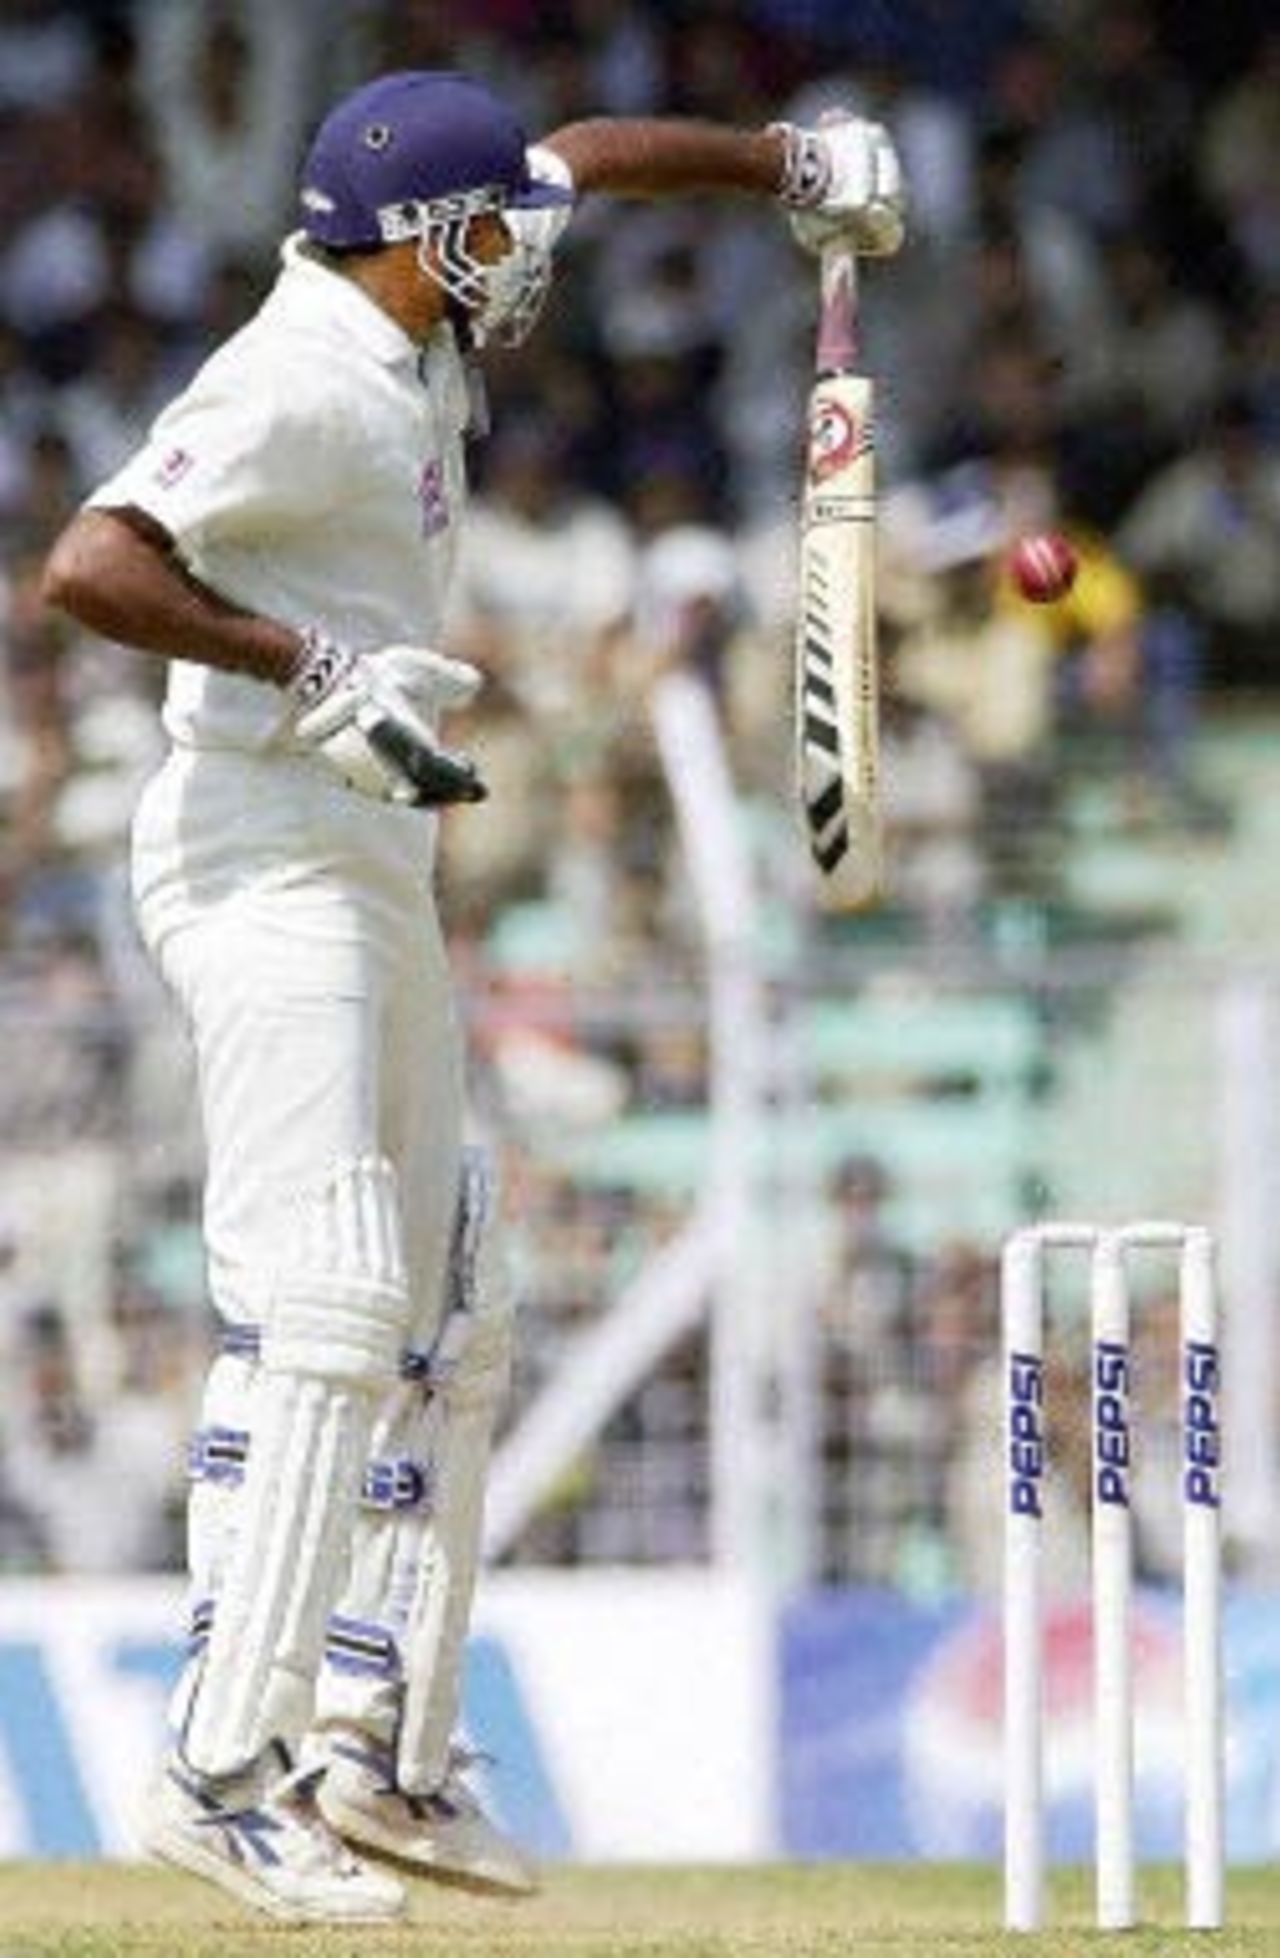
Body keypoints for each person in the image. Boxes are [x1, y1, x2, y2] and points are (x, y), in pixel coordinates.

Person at [41, 68, 905, 1923]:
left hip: (369, 853)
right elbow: (90, 563)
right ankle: (215, 1768)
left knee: (455, 1296)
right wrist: (305, 658)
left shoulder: (424, 279)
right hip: (258, 846)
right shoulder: (293, 376)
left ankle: (386, 1751)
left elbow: (583, 160)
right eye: (495, 237)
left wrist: (796, 169)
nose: (530, 261)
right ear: (431, 244)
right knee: (336, 1294)